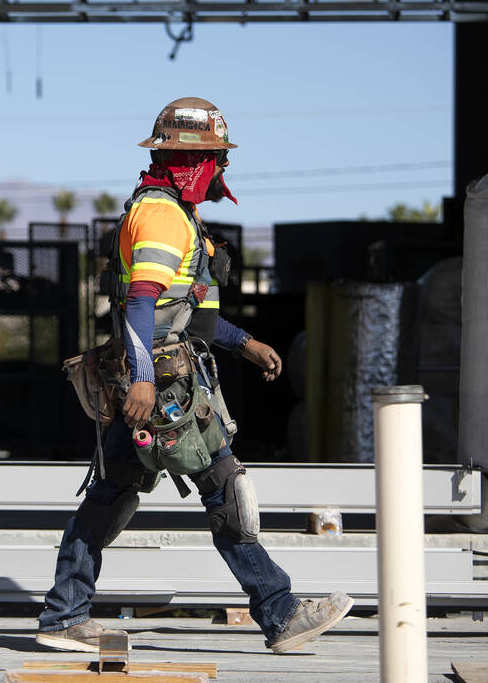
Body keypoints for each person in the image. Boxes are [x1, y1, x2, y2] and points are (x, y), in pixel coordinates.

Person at [35, 97, 351, 655]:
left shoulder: (178, 214)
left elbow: (191, 314)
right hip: (161, 390)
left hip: (159, 384)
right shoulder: (160, 214)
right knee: (226, 492)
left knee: (109, 499)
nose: (223, 171)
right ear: (194, 161)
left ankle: (65, 615)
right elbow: (140, 303)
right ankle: (280, 614)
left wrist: (245, 343)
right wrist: (141, 379)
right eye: (217, 159)